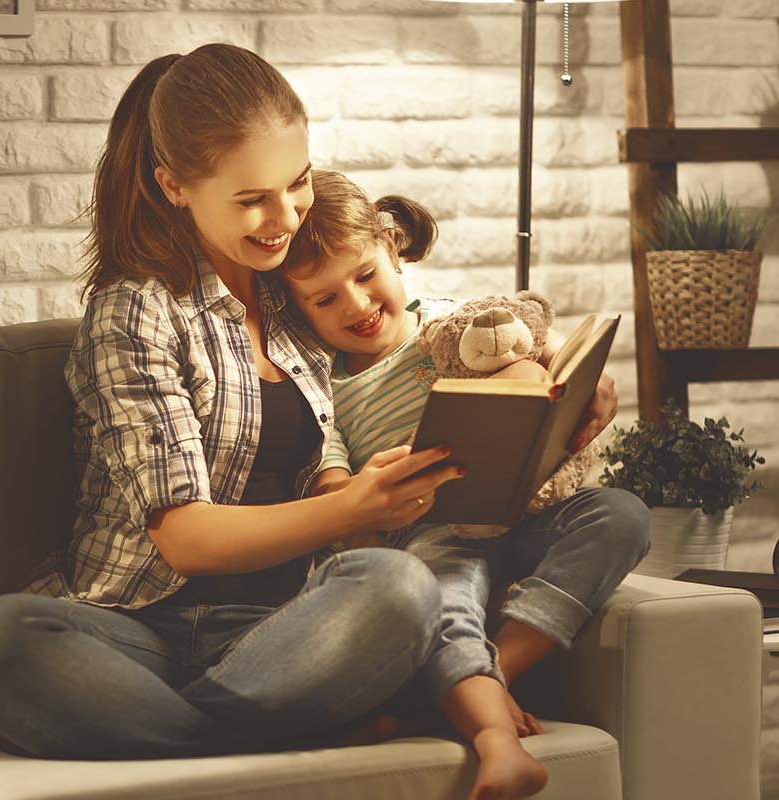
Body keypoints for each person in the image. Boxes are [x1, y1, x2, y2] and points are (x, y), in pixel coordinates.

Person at [0, 43, 466, 771]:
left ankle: (143, 730)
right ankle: (279, 728)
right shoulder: (135, 313)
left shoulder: (297, 295)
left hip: (283, 630)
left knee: (400, 588)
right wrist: (352, 508)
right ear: (175, 186)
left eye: (297, 183)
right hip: (135, 628)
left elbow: (409, 350)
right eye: (251, 198)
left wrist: (537, 392)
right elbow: (185, 539)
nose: (283, 216)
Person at [277, 169, 651, 796]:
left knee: (622, 514)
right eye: (325, 299)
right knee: (443, 595)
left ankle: (491, 673)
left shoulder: (455, 321)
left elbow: (545, 354)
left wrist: (586, 386)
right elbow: (333, 490)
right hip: (434, 528)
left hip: (526, 511)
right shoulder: (324, 387)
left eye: (366, 275)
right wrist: (365, 488)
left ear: (394, 252)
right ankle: (495, 740)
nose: (357, 305)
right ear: (297, 308)